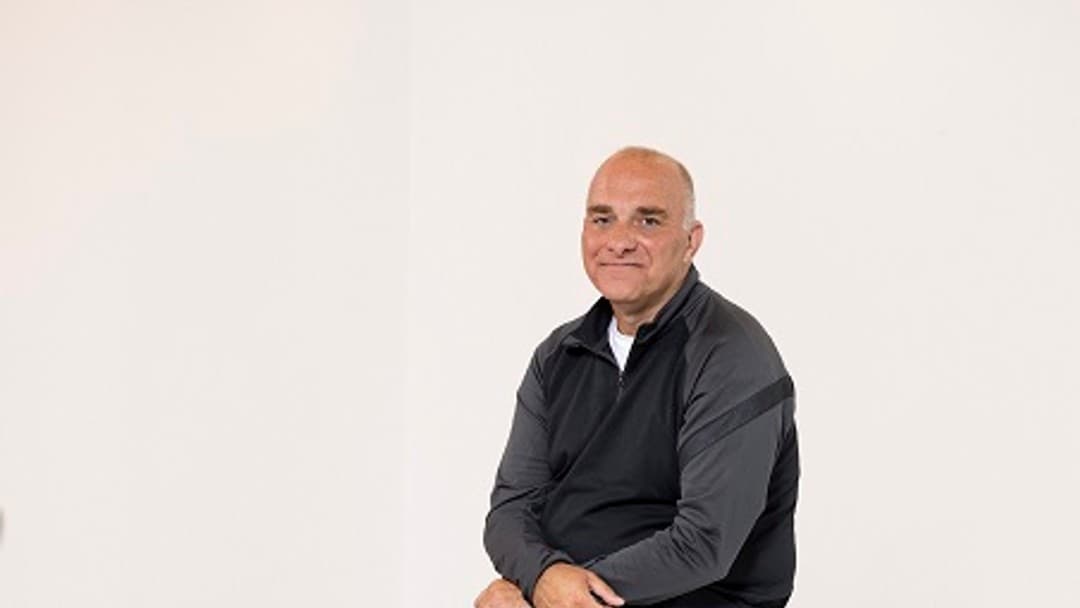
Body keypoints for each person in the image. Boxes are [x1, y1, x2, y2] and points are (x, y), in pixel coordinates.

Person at [475, 147, 799, 608]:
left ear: (691, 241)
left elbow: (703, 542)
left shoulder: (730, 353)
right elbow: (511, 509)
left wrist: (555, 594)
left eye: (648, 221)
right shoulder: (559, 354)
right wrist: (541, 576)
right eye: (602, 219)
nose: (619, 241)